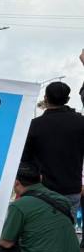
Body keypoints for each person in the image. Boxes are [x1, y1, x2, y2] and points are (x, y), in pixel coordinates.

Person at [21, 82, 84, 220]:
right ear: (67, 99)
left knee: (39, 232)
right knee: (65, 230)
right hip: (72, 188)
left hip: (41, 190)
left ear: (45, 98)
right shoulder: (81, 122)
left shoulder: (34, 125)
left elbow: (24, 159)